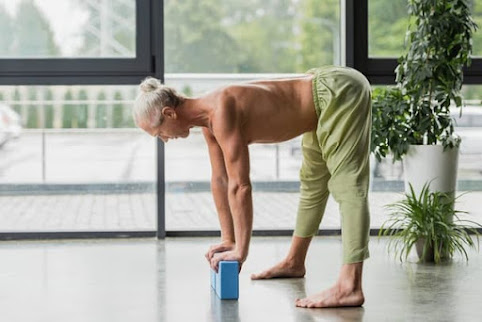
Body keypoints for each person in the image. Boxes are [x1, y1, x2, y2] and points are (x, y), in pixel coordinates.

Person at [133, 65, 372, 308]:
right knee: (312, 185)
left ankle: (350, 285)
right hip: (317, 106)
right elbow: (220, 180)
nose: (163, 139)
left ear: (169, 114)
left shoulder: (220, 109)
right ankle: (294, 262)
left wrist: (241, 250)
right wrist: (228, 239)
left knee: (348, 184)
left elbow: (240, 186)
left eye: (158, 133)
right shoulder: (208, 123)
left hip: (337, 91)